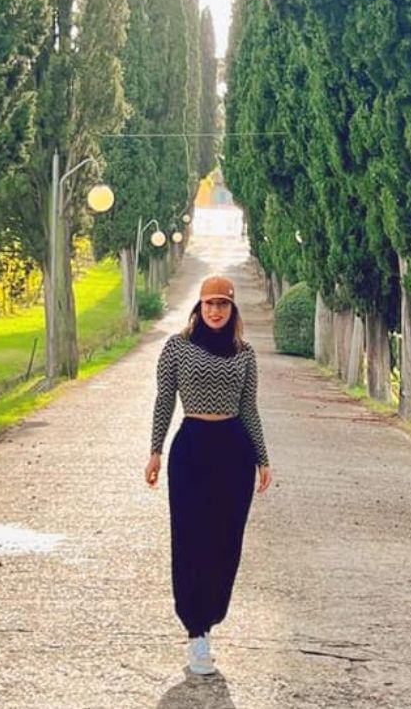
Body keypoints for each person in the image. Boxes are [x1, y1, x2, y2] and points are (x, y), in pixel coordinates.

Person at [145, 275, 272, 676]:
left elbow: (249, 409)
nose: (216, 311)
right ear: (198, 308)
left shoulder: (245, 353)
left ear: (232, 309)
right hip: (192, 449)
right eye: (209, 304)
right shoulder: (176, 347)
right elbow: (164, 400)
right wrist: (155, 452)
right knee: (190, 538)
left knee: (226, 541)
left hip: (234, 451)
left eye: (223, 304)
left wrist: (263, 459)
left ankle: (212, 616)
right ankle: (195, 630)